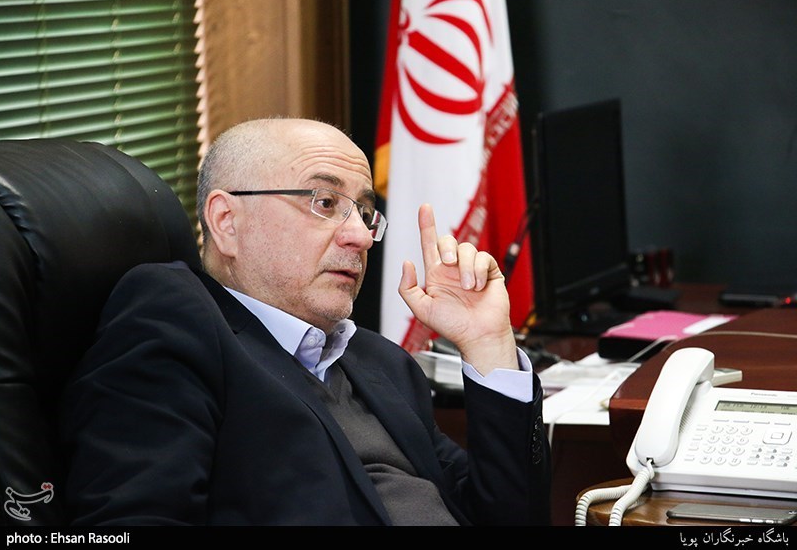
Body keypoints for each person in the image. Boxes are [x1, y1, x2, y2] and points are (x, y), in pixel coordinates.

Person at [60, 118, 551, 526]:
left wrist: (489, 343)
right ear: (227, 221)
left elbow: (511, 517)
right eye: (325, 203)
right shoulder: (174, 321)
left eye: (364, 212)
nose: (360, 235)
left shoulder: (381, 362)